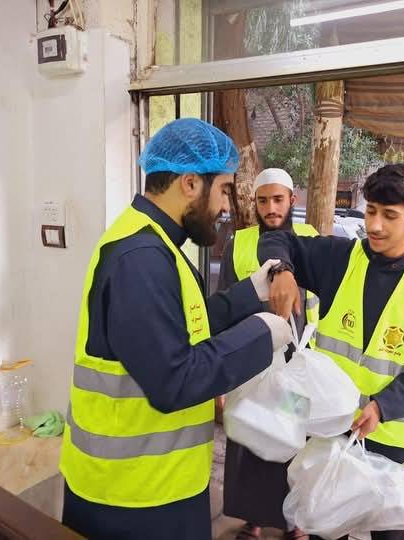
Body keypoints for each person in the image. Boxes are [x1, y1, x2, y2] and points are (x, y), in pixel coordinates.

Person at [58, 118, 293, 540]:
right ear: (190, 183)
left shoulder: (155, 242)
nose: (226, 207)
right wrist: (261, 333)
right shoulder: (141, 257)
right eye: (223, 189)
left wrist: (249, 294)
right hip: (133, 499)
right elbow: (176, 379)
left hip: (157, 484)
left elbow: (183, 323)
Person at [259, 164, 404, 540]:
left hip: (390, 440)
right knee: (326, 526)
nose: (375, 225)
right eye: (371, 211)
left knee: (389, 533)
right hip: (331, 428)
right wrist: (281, 270)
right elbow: (276, 240)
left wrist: (382, 407)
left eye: (389, 216)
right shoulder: (340, 259)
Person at [218, 168, 318, 540]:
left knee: (295, 442)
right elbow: (226, 305)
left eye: (278, 199)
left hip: (297, 364)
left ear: (293, 199)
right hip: (251, 362)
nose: (271, 208)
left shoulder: (310, 240)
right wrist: (222, 375)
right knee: (251, 437)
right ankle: (254, 518)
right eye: (263, 201)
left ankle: (296, 522)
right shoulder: (239, 243)